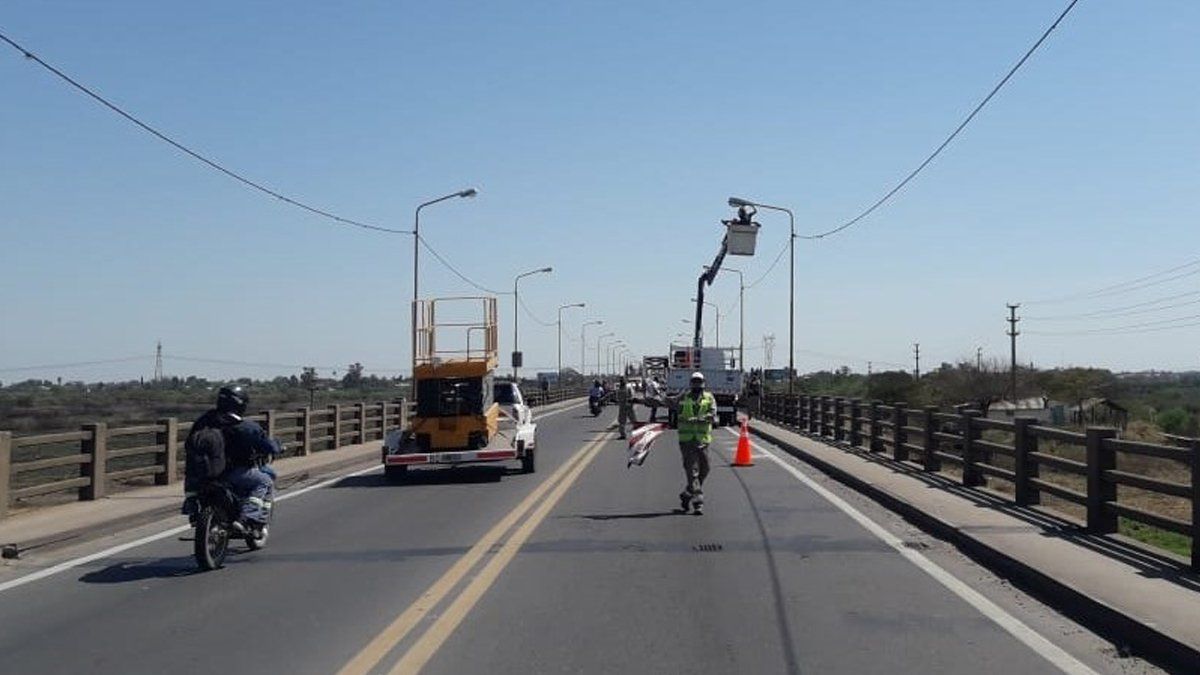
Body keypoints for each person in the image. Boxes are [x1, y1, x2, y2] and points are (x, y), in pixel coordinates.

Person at [186, 385, 281, 533]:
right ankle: (249, 519)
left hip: (202, 473)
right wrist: (277, 447)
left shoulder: (203, 421)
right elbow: (267, 445)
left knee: (194, 485)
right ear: (240, 404)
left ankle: (192, 507)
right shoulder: (244, 426)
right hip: (234, 473)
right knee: (265, 481)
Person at [674, 371, 716, 515]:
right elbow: (676, 414)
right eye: (695, 382)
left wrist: (702, 419)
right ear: (691, 383)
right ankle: (698, 501)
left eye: (699, 382)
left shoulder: (709, 398)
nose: (697, 384)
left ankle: (687, 494)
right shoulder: (683, 397)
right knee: (692, 472)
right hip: (687, 441)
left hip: (703, 441)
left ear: (703, 383)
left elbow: (713, 415)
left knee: (705, 469)